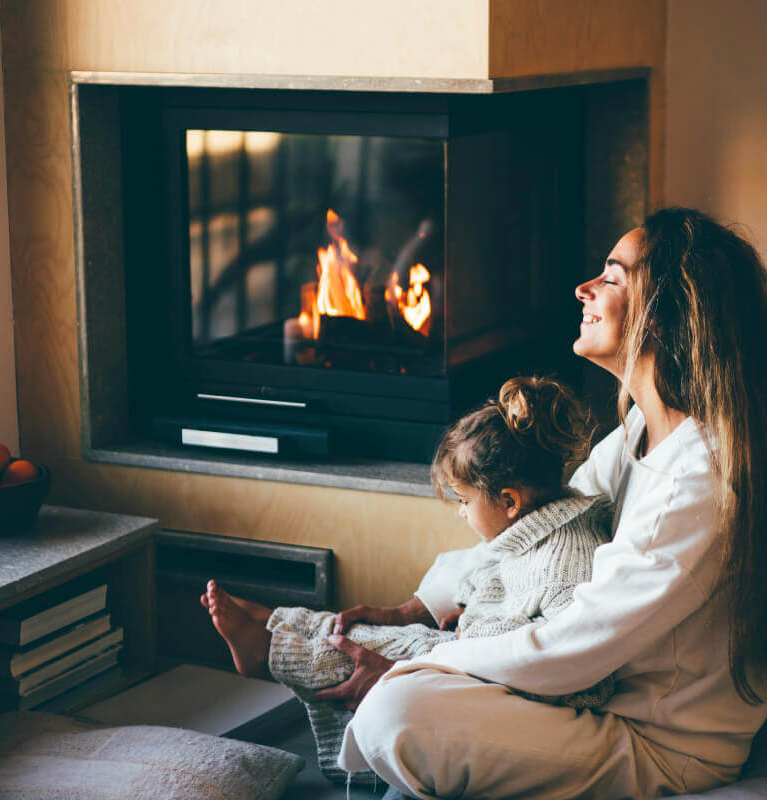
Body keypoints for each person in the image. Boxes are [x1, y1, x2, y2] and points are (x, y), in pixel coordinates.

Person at [324, 207, 767, 799]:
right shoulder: (640, 430)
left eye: (611, 278)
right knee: (407, 694)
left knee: (395, 711)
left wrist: (420, 664)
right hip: (595, 701)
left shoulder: (698, 478)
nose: (583, 289)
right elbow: (541, 526)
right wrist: (422, 608)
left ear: (664, 316)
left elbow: (577, 647)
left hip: (661, 743)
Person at [200, 376, 615, 783]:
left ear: (509, 501)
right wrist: (462, 611)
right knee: (373, 631)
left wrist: (472, 635)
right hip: (471, 649)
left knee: (384, 646)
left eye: (464, 502)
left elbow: (573, 666)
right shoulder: (532, 527)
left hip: (487, 670)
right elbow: (496, 584)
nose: (461, 513)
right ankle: (285, 621)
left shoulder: (569, 560)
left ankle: (271, 652)